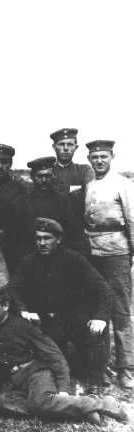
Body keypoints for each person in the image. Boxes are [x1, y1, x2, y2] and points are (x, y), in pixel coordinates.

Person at [0, 289, 129, 425]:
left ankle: (105, 405)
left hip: (37, 374)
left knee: (39, 403)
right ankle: (82, 411)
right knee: (3, 402)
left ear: (5, 306)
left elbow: (54, 355)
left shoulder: (23, 326)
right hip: (17, 381)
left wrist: (64, 388)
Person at [10, 217, 112, 393]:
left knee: (95, 331)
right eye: (38, 238)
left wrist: (100, 317)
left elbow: (103, 289)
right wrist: (23, 310)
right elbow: (13, 289)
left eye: (47, 238)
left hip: (72, 318)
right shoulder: (28, 261)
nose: (42, 243)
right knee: (47, 359)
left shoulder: (74, 260)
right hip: (44, 322)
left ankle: (95, 378)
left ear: (58, 239)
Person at [84, 139, 134, 389]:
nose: (99, 161)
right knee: (98, 310)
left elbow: (132, 220)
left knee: (121, 312)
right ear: (89, 160)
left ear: (112, 156)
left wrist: (131, 255)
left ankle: (126, 368)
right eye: (94, 157)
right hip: (93, 252)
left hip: (117, 252)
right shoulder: (89, 185)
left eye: (103, 156)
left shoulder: (123, 184)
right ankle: (101, 367)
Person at [13, 156, 88, 259]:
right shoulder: (22, 203)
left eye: (48, 176)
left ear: (53, 176)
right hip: (30, 258)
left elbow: (74, 233)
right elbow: (17, 237)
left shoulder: (64, 201)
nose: (44, 180)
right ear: (32, 177)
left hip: (59, 258)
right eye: (39, 176)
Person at [50, 128, 95, 196]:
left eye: (70, 144)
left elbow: (91, 193)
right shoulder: (48, 172)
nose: (66, 148)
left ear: (76, 147)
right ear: (54, 147)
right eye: (61, 144)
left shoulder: (84, 171)